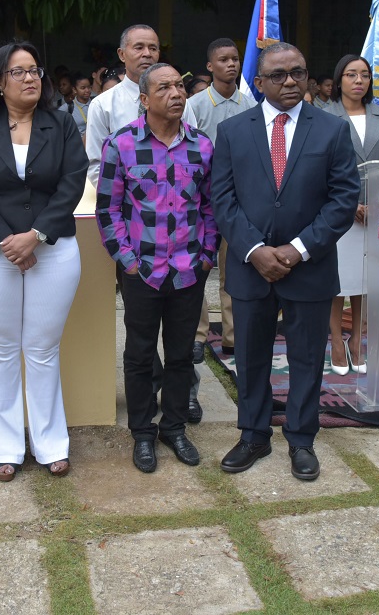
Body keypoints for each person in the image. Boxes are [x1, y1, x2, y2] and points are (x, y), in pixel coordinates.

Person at [212, 43, 359, 482]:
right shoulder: (233, 131)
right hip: (250, 266)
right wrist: (256, 250)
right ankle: (253, 435)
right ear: (259, 83)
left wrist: (298, 249)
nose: (290, 81)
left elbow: (342, 198)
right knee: (251, 357)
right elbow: (222, 199)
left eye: (298, 72)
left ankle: (301, 439)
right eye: (278, 75)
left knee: (307, 358)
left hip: (309, 267)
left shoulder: (331, 130)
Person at [0, 41, 86, 482]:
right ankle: (4, 446)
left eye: (35, 70)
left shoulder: (62, 124)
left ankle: (51, 443)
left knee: (42, 350)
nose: (31, 78)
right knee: (1, 350)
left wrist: (35, 237)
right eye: (19, 72)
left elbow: (71, 185)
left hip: (53, 250)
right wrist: (7, 242)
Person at [96, 63, 218, 474]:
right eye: (164, 87)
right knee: (140, 355)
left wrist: (206, 256)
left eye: (179, 86)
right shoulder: (121, 145)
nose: (177, 93)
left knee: (183, 355)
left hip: (188, 269)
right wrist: (127, 260)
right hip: (142, 271)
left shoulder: (202, 146)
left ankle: (175, 428)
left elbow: (209, 207)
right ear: (145, 100)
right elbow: (108, 209)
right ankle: (143, 433)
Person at [324, 54, 379, 375]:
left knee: (366, 282)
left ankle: (357, 340)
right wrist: (348, 204)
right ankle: (336, 341)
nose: (358, 81)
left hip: (376, 211)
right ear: (339, 81)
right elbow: (318, 169)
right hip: (340, 212)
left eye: (364, 75)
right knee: (339, 281)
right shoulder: (324, 115)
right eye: (351, 75)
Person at [187, 39, 255, 367]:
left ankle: (232, 336)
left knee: (233, 271)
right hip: (201, 201)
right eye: (223, 59)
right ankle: (199, 335)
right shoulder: (195, 105)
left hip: (237, 202)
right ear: (210, 66)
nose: (231, 64)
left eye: (235, 58)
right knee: (199, 269)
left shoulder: (250, 105)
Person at [85, 25, 195, 188]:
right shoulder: (103, 105)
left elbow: (193, 153)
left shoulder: (177, 100)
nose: (147, 54)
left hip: (175, 202)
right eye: (139, 47)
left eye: (153, 48)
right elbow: (96, 166)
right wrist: (131, 201)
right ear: (122, 54)